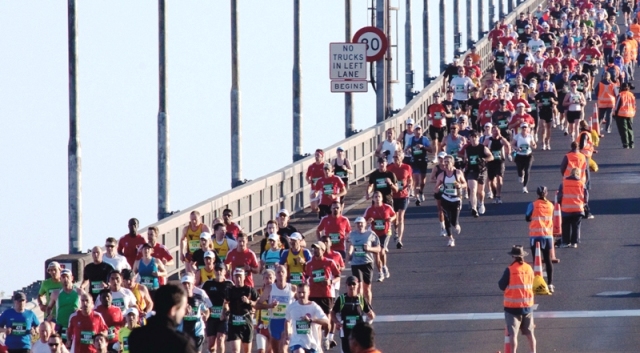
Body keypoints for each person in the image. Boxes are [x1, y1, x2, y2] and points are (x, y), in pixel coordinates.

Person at [128, 283, 197, 353]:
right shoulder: (182, 343)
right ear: (173, 310)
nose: (184, 312)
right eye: (183, 308)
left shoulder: (136, 337)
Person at [498, 246, 536, 353]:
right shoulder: (529, 268)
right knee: (530, 333)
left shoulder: (510, 270)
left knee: (513, 335)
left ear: (513, 256)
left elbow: (501, 285)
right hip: (527, 306)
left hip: (512, 308)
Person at [305, 241, 341, 351]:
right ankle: (316, 342)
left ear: (323, 250)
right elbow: (306, 277)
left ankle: (326, 337)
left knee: (326, 319)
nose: (315, 250)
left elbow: (338, 276)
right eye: (314, 248)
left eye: (317, 248)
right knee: (313, 320)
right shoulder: (309, 264)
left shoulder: (329, 262)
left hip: (326, 294)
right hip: (313, 295)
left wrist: (330, 282)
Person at [254, 265, 296, 353]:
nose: (280, 274)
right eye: (278, 272)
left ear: (286, 274)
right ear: (276, 275)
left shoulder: (292, 288)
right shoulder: (270, 288)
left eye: (282, 272)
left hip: (286, 322)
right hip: (274, 322)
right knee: (276, 350)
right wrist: (270, 306)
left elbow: (300, 303)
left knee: (283, 350)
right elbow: (257, 305)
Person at [525, 186, 557, 293]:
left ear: (537, 194)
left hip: (535, 235)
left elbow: (527, 217)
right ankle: (550, 283)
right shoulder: (550, 205)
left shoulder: (533, 205)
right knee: (548, 260)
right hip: (547, 235)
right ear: (546, 193)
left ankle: (537, 283)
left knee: (536, 260)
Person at [330, 276, 375, 353]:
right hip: (345, 332)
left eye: (354, 284)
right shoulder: (341, 299)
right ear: (346, 285)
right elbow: (332, 313)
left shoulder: (361, 299)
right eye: (349, 284)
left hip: (358, 332)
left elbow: (371, 315)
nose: (352, 286)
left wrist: (369, 319)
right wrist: (337, 322)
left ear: (357, 285)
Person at [284, 283, 330, 353]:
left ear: (308, 292)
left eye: (303, 292)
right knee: (299, 351)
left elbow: (326, 322)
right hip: (297, 341)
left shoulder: (314, 306)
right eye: (299, 292)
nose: (301, 295)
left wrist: (311, 320)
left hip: (312, 342)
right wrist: (287, 335)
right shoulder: (291, 307)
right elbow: (287, 320)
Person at [434, 155, 467, 247]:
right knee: (447, 219)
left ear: (452, 163)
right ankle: (450, 238)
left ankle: (456, 224)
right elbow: (436, 188)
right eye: (444, 162)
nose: (445, 164)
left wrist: (460, 185)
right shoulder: (441, 175)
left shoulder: (458, 173)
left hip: (456, 198)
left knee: (453, 221)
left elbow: (465, 184)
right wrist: (439, 189)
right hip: (446, 197)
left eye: (447, 162)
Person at [346, 217, 381, 304]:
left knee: (367, 288)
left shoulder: (371, 234)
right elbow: (351, 245)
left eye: (361, 223)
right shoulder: (352, 234)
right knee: (359, 286)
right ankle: (360, 306)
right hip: (356, 263)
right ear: (355, 225)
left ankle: (368, 306)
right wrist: (349, 253)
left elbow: (378, 249)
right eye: (358, 223)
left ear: (365, 224)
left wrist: (369, 248)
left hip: (367, 262)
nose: (359, 225)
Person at [363, 192, 396, 282]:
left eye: (379, 197)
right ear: (373, 199)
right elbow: (363, 221)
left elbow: (394, 215)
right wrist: (368, 221)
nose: (377, 198)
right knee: (376, 253)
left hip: (385, 232)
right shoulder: (370, 209)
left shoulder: (387, 207)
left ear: (382, 198)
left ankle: (384, 266)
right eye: (375, 197)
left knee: (381, 251)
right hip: (374, 233)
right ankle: (380, 272)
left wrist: (391, 219)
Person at [200, 262, 232, 353]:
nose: (218, 272)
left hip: (224, 317)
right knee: (211, 345)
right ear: (214, 271)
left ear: (225, 271)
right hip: (211, 317)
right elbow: (200, 296)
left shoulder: (229, 284)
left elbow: (234, 298)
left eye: (221, 270)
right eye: (217, 270)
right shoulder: (208, 284)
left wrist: (228, 311)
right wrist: (203, 311)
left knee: (221, 339)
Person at [226, 268, 258, 353]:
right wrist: (224, 312)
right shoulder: (230, 290)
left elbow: (258, 303)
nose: (238, 279)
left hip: (246, 322)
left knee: (247, 351)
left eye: (240, 277)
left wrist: (249, 302)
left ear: (244, 277)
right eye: (236, 277)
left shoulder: (250, 290)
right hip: (234, 323)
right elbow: (225, 303)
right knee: (235, 350)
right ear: (233, 278)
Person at [464, 131, 494, 217]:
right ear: (469, 138)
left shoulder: (482, 147)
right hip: (471, 170)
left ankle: (481, 203)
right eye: (472, 137)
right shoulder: (468, 149)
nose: (473, 139)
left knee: (480, 191)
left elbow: (491, 157)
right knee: (473, 189)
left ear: (478, 138)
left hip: (481, 170)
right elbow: (465, 159)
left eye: (475, 137)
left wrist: (484, 160)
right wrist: (464, 162)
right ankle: (474, 208)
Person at [46, 269, 81, 342]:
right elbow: (49, 308)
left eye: (67, 277)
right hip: (61, 326)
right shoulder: (56, 293)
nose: (65, 279)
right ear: (60, 279)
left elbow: (89, 305)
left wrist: (80, 311)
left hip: (75, 326)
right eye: (63, 277)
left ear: (72, 278)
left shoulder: (79, 292)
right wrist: (49, 316)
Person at [387, 150, 412, 248]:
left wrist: (410, 184)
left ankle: (399, 239)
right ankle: (396, 231)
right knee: (395, 219)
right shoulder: (390, 168)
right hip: (393, 196)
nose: (395, 158)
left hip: (403, 195)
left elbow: (410, 178)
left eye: (397, 157)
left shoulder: (407, 167)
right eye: (394, 157)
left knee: (401, 216)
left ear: (402, 157)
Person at [178, 275, 210, 352]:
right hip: (183, 331)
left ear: (192, 285)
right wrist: (184, 312)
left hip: (197, 331)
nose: (187, 286)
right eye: (184, 284)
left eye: (188, 283)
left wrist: (206, 315)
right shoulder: (178, 300)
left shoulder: (199, 298)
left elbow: (206, 310)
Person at [558, 168, 589, 248]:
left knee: (565, 225)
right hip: (578, 208)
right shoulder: (581, 183)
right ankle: (574, 242)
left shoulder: (564, 183)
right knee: (576, 226)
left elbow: (560, 195)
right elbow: (586, 196)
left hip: (566, 208)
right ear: (578, 174)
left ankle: (565, 242)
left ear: (570, 173)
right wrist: (584, 204)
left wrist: (560, 203)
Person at [405, 126, 432, 205]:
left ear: (422, 130)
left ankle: (421, 192)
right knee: (416, 180)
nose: (417, 131)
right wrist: (408, 149)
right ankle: (417, 198)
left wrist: (423, 147)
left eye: (419, 130)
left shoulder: (425, 139)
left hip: (423, 161)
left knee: (422, 181)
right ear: (414, 131)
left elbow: (431, 150)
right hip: (415, 161)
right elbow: (407, 148)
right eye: (416, 130)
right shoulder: (411, 139)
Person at [484, 125, 511, 203]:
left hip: (500, 161)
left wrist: (508, 154)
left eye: (497, 130)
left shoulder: (502, 140)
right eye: (494, 131)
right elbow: (483, 147)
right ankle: (495, 194)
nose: (496, 132)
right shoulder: (488, 140)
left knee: (499, 178)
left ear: (499, 131)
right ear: (492, 132)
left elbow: (508, 145)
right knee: (492, 180)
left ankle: (498, 196)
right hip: (491, 162)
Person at [511, 123, 537, 194]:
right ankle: (520, 175)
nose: (524, 129)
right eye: (523, 128)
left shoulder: (530, 136)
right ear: (521, 129)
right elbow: (512, 144)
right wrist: (517, 148)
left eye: (525, 128)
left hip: (528, 155)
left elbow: (534, 145)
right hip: (519, 155)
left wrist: (534, 145)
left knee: (527, 170)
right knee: (519, 169)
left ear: (527, 128)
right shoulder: (517, 136)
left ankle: (524, 187)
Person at [613, 82, 636, 148]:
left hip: (622, 114)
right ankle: (631, 143)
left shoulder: (620, 95)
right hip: (630, 114)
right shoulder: (632, 95)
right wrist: (633, 112)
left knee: (624, 130)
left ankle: (626, 144)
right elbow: (634, 105)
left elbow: (617, 106)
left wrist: (615, 114)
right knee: (630, 129)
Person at [306, 149, 327, 214]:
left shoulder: (325, 166)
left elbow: (328, 176)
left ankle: (322, 215)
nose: (316, 156)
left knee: (323, 205)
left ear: (322, 156)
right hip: (314, 188)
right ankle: (320, 212)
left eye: (318, 155)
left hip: (322, 189)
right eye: (315, 155)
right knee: (313, 208)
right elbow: (307, 176)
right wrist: (308, 180)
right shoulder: (311, 166)